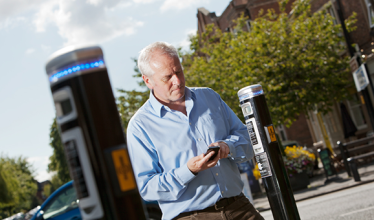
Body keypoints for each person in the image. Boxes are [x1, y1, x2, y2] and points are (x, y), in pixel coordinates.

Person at [126, 41, 264, 220]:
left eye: (178, 72)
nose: (177, 81)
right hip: (190, 216)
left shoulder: (209, 97)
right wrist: (188, 170)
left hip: (239, 207)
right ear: (147, 81)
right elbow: (146, 187)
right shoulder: (140, 126)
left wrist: (228, 146)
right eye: (167, 77)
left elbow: (247, 137)